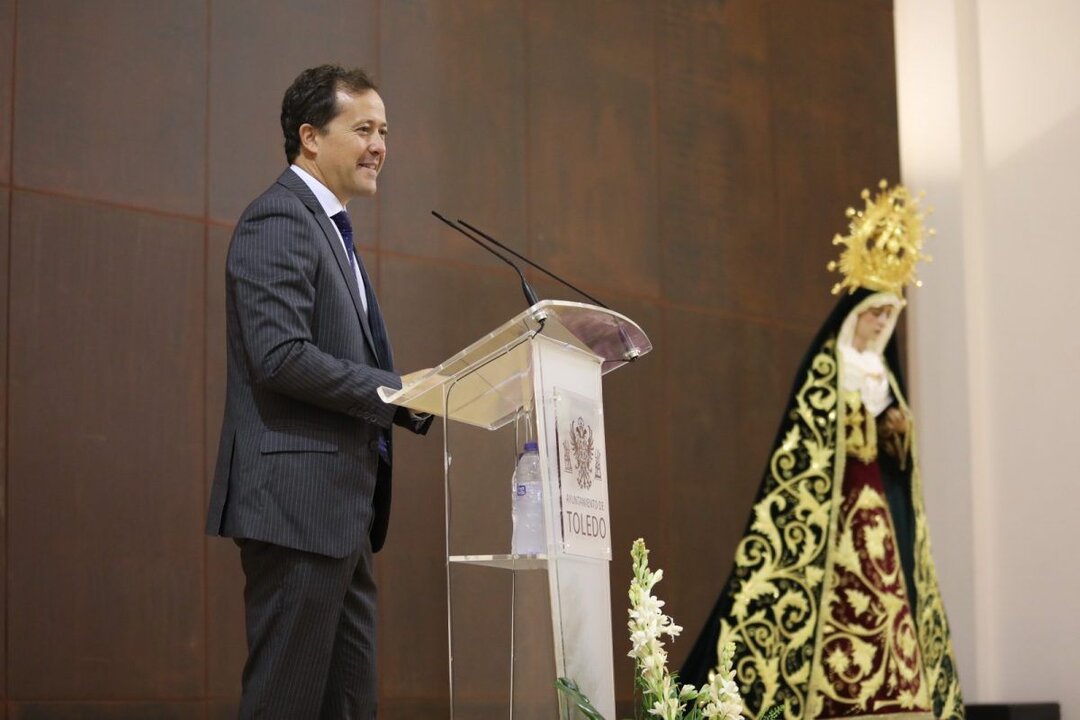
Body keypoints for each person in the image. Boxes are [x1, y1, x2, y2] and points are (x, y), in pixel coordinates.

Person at [680, 183, 963, 720]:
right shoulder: (830, 369)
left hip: (876, 502)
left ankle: (894, 698)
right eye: (874, 313)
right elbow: (808, 440)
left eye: (888, 316)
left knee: (886, 594)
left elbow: (895, 455)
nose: (880, 324)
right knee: (840, 598)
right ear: (855, 312)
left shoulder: (882, 376)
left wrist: (897, 432)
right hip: (833, 513)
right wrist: (854, 423)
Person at [205, 65, 432, 719]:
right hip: (297, 511)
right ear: (310, 137)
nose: (379, 145)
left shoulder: (328, 229)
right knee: (286, 701)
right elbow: (278, 358)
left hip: (344, 517)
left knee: (349, 703)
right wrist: (399, 392)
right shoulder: (279, 217)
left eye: (384, 130)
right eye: (362, 128)